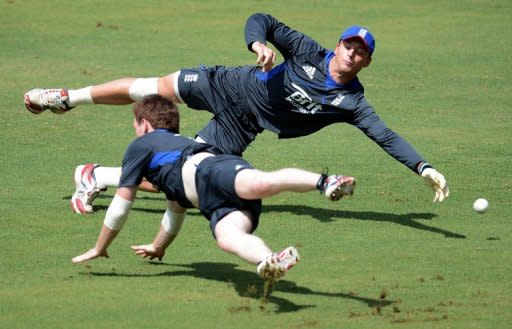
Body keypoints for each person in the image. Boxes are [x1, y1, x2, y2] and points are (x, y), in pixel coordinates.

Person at [24, 12, 449, 214]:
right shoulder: (306, 50)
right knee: (151, 86)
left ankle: (96, 176)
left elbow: (385, 136)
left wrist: (423, 166)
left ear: (366, 63)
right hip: (226, 84)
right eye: (349, 45)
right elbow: (261, 19)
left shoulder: (352, 103)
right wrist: (257, 45)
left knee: (186, 183)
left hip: (242, 124)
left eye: (362, 52)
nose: (353, 53)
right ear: (338, 45)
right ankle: (68, 97)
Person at [71, 95, 357, 281]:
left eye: (136, 124)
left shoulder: (142, 145)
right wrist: (158, 247)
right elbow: (176, 209)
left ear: (144, 124)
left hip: (210, 171)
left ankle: (325, 182)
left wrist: (100, 247)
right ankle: (270, 259)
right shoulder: (166, 158)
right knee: (227, 237)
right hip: (212, 203)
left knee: (260, 183)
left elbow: (123, 202)